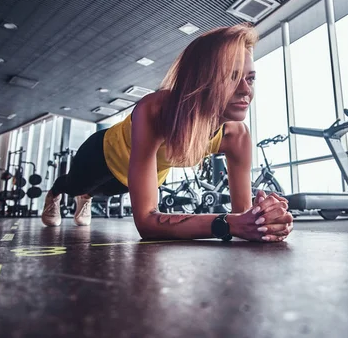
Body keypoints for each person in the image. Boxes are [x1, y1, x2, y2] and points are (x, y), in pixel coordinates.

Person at [41, 23, 294, 242]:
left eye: (250, 79)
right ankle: (55, 194)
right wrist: (227, 223)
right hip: (103, 155)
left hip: (130, 178)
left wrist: (264, 221)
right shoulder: (156, 109)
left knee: (100, 192)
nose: (245, 90)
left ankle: (86, 197)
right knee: (74, 186)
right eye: (231, 77)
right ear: (202, 80)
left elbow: (243, 216)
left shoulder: (237, 137)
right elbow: (146, 224)